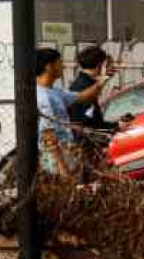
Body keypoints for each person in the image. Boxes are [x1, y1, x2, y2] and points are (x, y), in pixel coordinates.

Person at [34, 47, 110, 178]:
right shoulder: (43, 97)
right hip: (54, 164)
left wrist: (102, 80)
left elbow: (82, 96)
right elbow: (48, 134)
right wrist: (62, 167)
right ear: (48, 66)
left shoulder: (55, 92)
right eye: (59, 63)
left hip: (66, 157)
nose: (62, 66)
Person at [67, 46, 116, 132]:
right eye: (109, 64)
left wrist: (117, 125)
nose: (113, 68)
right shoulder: (83, 87)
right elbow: (86, 124)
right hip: (87, 142)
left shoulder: (87, 83)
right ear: (101, 65)